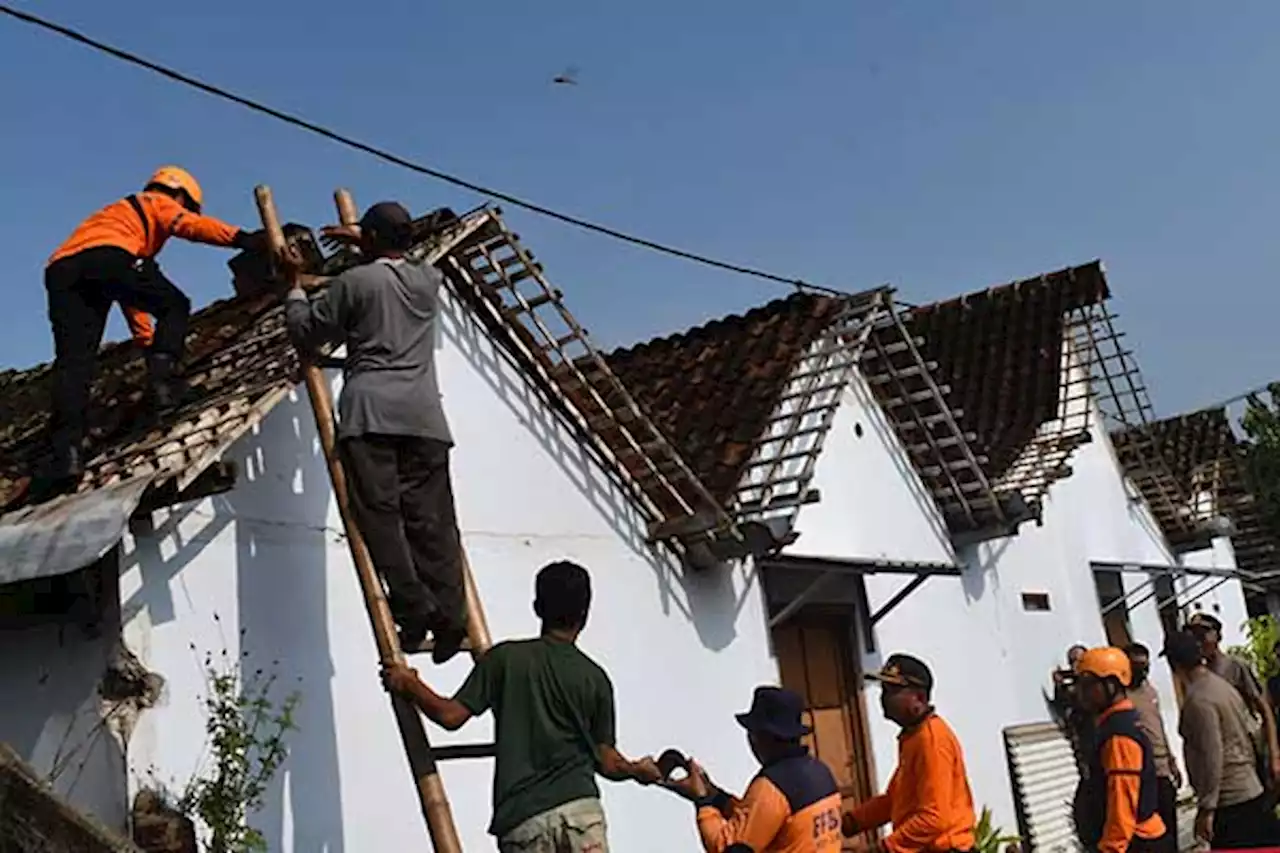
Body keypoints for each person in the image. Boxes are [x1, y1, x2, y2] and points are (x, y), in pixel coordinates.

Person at [281, 201, 465, 661]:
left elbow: (308, 334)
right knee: (433, 524)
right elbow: (407, 255)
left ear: (373, 239)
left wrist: (293, 288)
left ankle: (415, 609)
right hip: (425, 420)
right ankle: (450, 617)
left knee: (381, 518)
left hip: (371, 416)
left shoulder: (354, 283)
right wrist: (366, 239)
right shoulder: (428, 281)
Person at [381, 560, 660, 852]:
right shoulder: (595, 678)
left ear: (537, 607)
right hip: (581, 815)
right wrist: (636, 770)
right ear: (585, 613)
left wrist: (408, 683)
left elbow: (450, 716)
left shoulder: (504, 660)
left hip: (524, 822)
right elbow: (607, 761)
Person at [38, 166, 263, 493]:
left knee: (74, 364)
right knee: (175, 305)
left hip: (62, 271)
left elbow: (129, 297)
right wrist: (243, 239)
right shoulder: (157, 201)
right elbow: (189, 225)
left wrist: (146, 341)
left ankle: (66, 455)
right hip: (108, 259)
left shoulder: (115, 220)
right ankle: (166, 382)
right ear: (180, 194)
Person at [662, 686, 844, 853]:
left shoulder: (772, 786)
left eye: (752, 733)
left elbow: (726, 848)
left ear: (763, 737)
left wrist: (702, 802)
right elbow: (761, 820)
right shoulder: (821, 772)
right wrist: (715, 796)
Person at [842, 654, 976, 853]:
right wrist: (848, 823)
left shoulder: (931, 741)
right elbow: (893, 801)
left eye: (892, 690)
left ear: (919, 698)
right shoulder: (913, 738)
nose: (883, 698)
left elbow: (934, 818)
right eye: (884, 690)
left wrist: (883, 849)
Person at [1163, 629, 1279, 848]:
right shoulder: (1221, 687)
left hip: (1229, 800)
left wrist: (1206, 809)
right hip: (1249, 789)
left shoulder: (1199, 701)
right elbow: (1251, 730)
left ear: (1174, 664)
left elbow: (1211, 755)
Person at [1071, 646, 1168, 853]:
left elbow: (1122, 800)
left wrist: (1111, 848)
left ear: (1112, 684)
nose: (1082, 692)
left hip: (1136, 842)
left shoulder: (1119, 735)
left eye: (1089, 685)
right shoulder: (1116, 723)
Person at [1186, 612, 1280, 786]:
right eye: (1194, 637)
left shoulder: (1235, 666)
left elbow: (1264, 707)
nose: (1199, 641)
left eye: (1203, 635)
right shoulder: (1198, 675)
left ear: (1217, 636)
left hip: (1247, 749)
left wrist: (1274, 754)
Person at [1123, 642, 1182, 853]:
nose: (1142, 671)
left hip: (1162, 768)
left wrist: (1171, 760)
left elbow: (1159, 727)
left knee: (1170, 827)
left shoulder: (1150, 691)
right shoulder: (1123, 698)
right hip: (1142, 773)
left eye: (1145, 666)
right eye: (1137, 666)